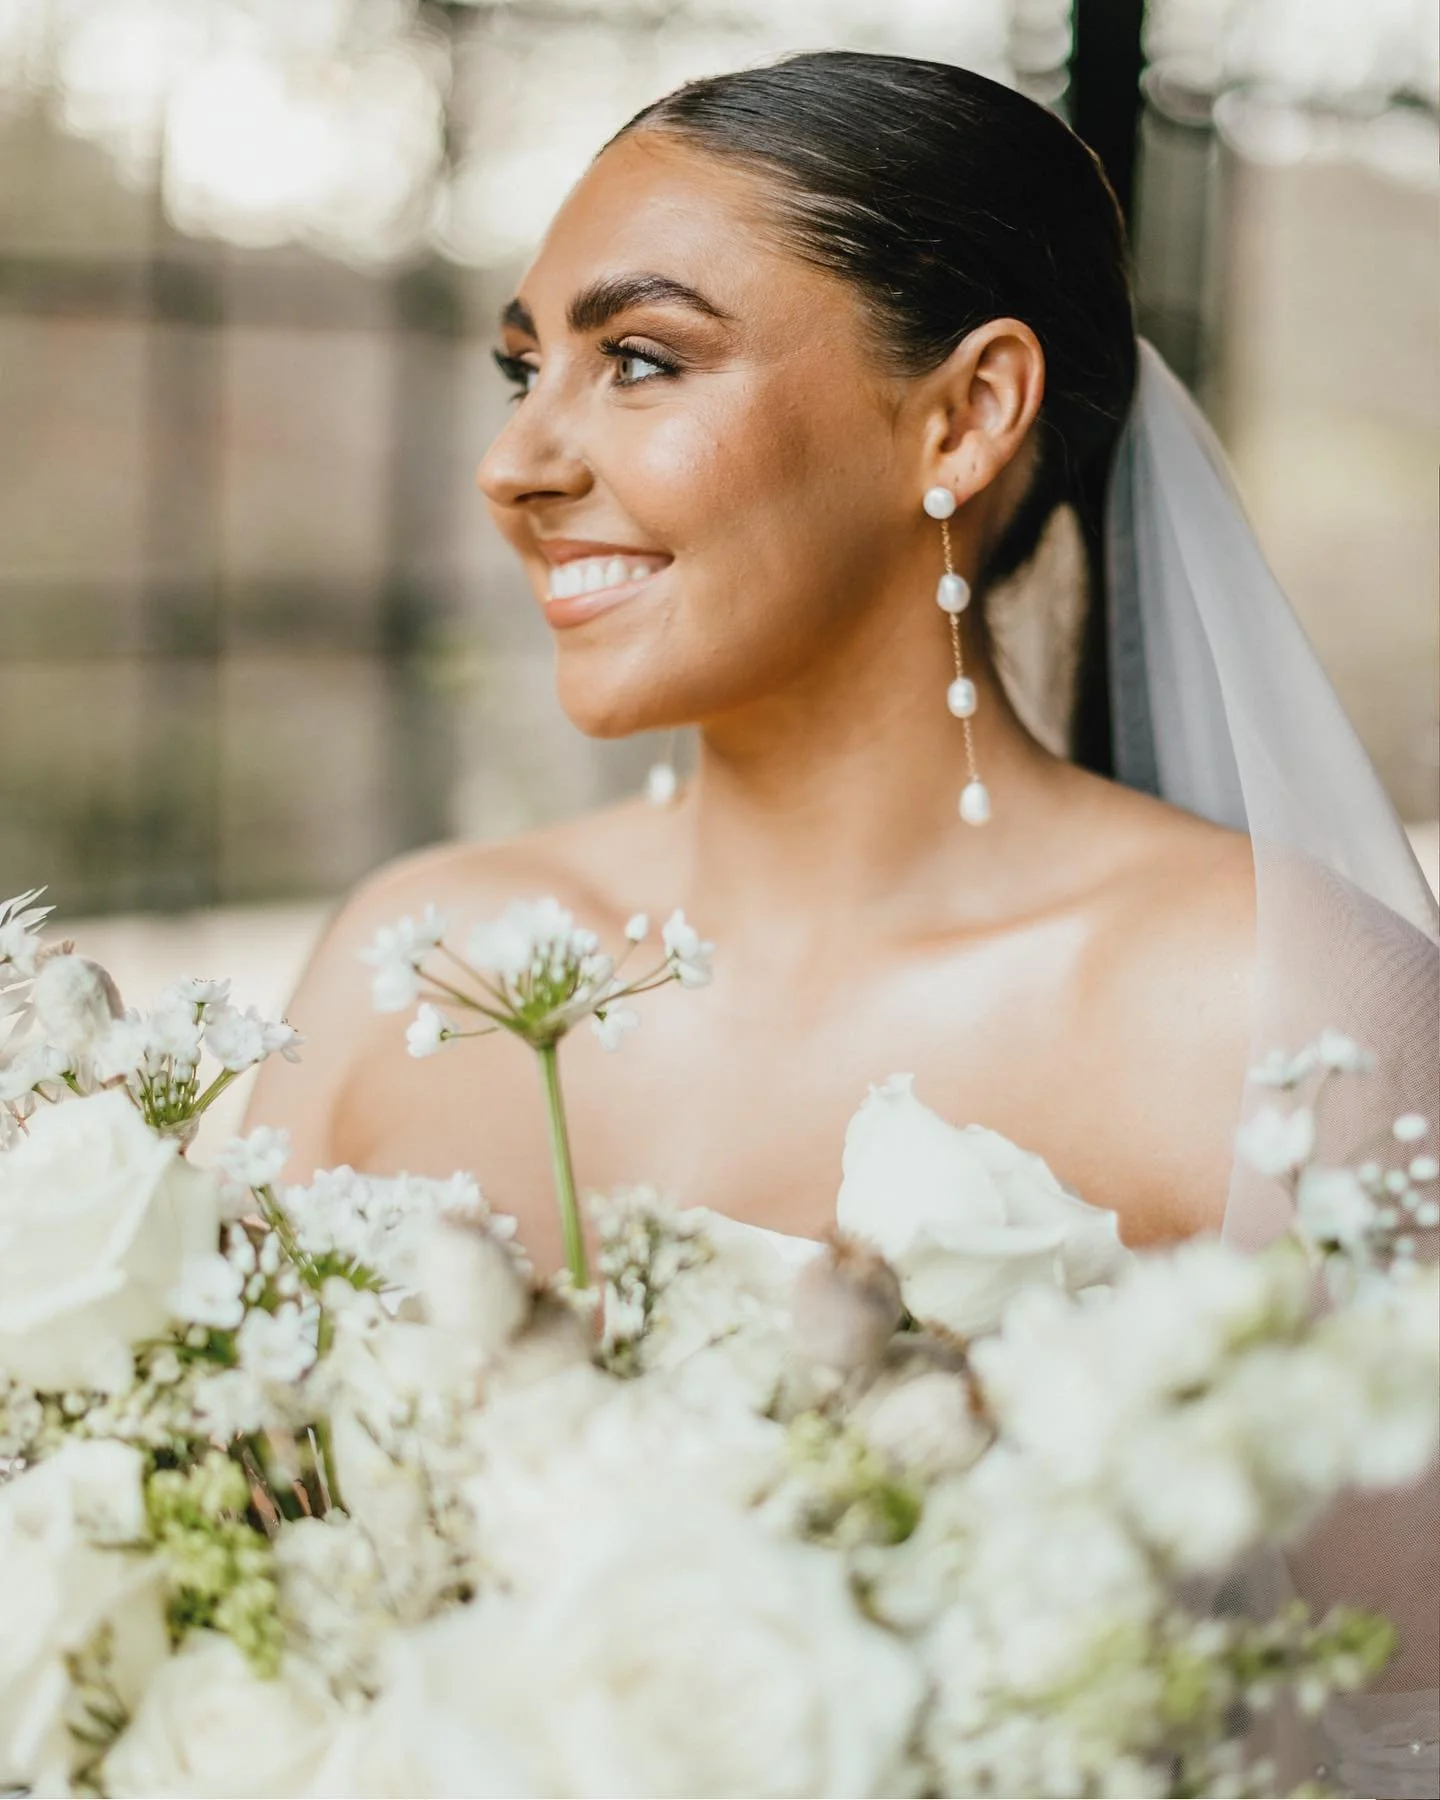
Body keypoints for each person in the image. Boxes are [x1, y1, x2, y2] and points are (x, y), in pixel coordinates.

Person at [248, 53, 1437, 1793]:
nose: (515, 463)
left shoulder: (1265, 1010)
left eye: (637, 359)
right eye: (525, 367)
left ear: (961, 417)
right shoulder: (406, 963)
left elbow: (1402, 1725)